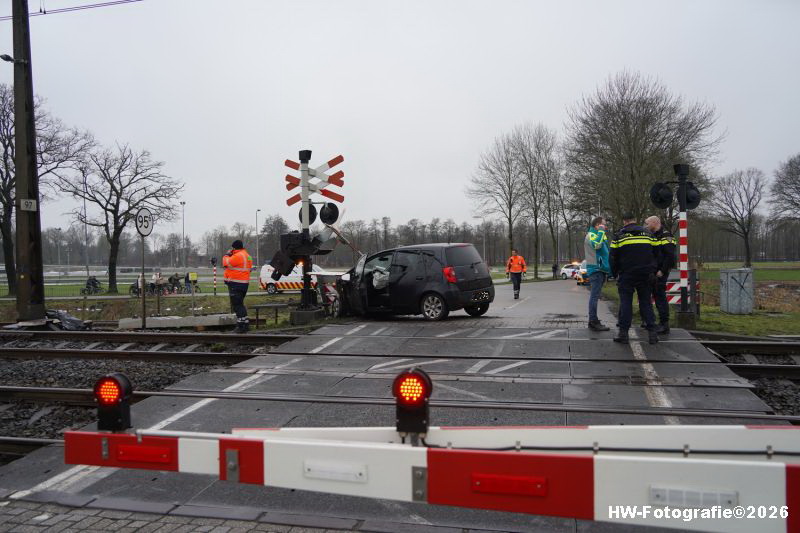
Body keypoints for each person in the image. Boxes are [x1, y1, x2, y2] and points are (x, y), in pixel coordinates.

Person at [609, 213, 659, 344]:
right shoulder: (649, 234)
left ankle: (623, 334)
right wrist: (653, 270)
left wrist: (615, 274)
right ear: (635, 220)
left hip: (627, 274)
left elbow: (612, 258)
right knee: (646, 303)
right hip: (645, 274)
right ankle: (652, 333)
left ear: (625, 221)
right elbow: (657, 254)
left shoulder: (619, 236)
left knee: (626, 303)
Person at [645, 215, 676, 335]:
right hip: (654, 271)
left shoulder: (666, 236)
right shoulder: (655, 236)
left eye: (647, 223)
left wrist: (662, 271)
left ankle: (664, 324)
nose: (646, 226)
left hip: (660, 272)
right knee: (657, 297)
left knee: (660, 297)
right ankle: (660, 323)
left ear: (654, 222)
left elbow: (670, 256)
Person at [584, 216, 611, 331]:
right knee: (594, 296)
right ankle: (593, 321)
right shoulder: (593, 234)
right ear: (597, 225)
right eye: (603, 225)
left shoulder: (598, 234)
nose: (605, 227)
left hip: (599, 269)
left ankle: (593, 320)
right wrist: (601, 231)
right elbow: (596, 245)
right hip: (596, 270)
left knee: (595, 296)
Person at [223, 239, 253, 333]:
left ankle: (240, 326)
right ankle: (245, 323)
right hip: (244, 283)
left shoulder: (237, 256)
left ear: (234, 247)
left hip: (236, 284)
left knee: (237, 305)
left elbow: (226, 263)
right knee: (240, 304)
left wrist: (226, 255)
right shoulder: (248, 256)